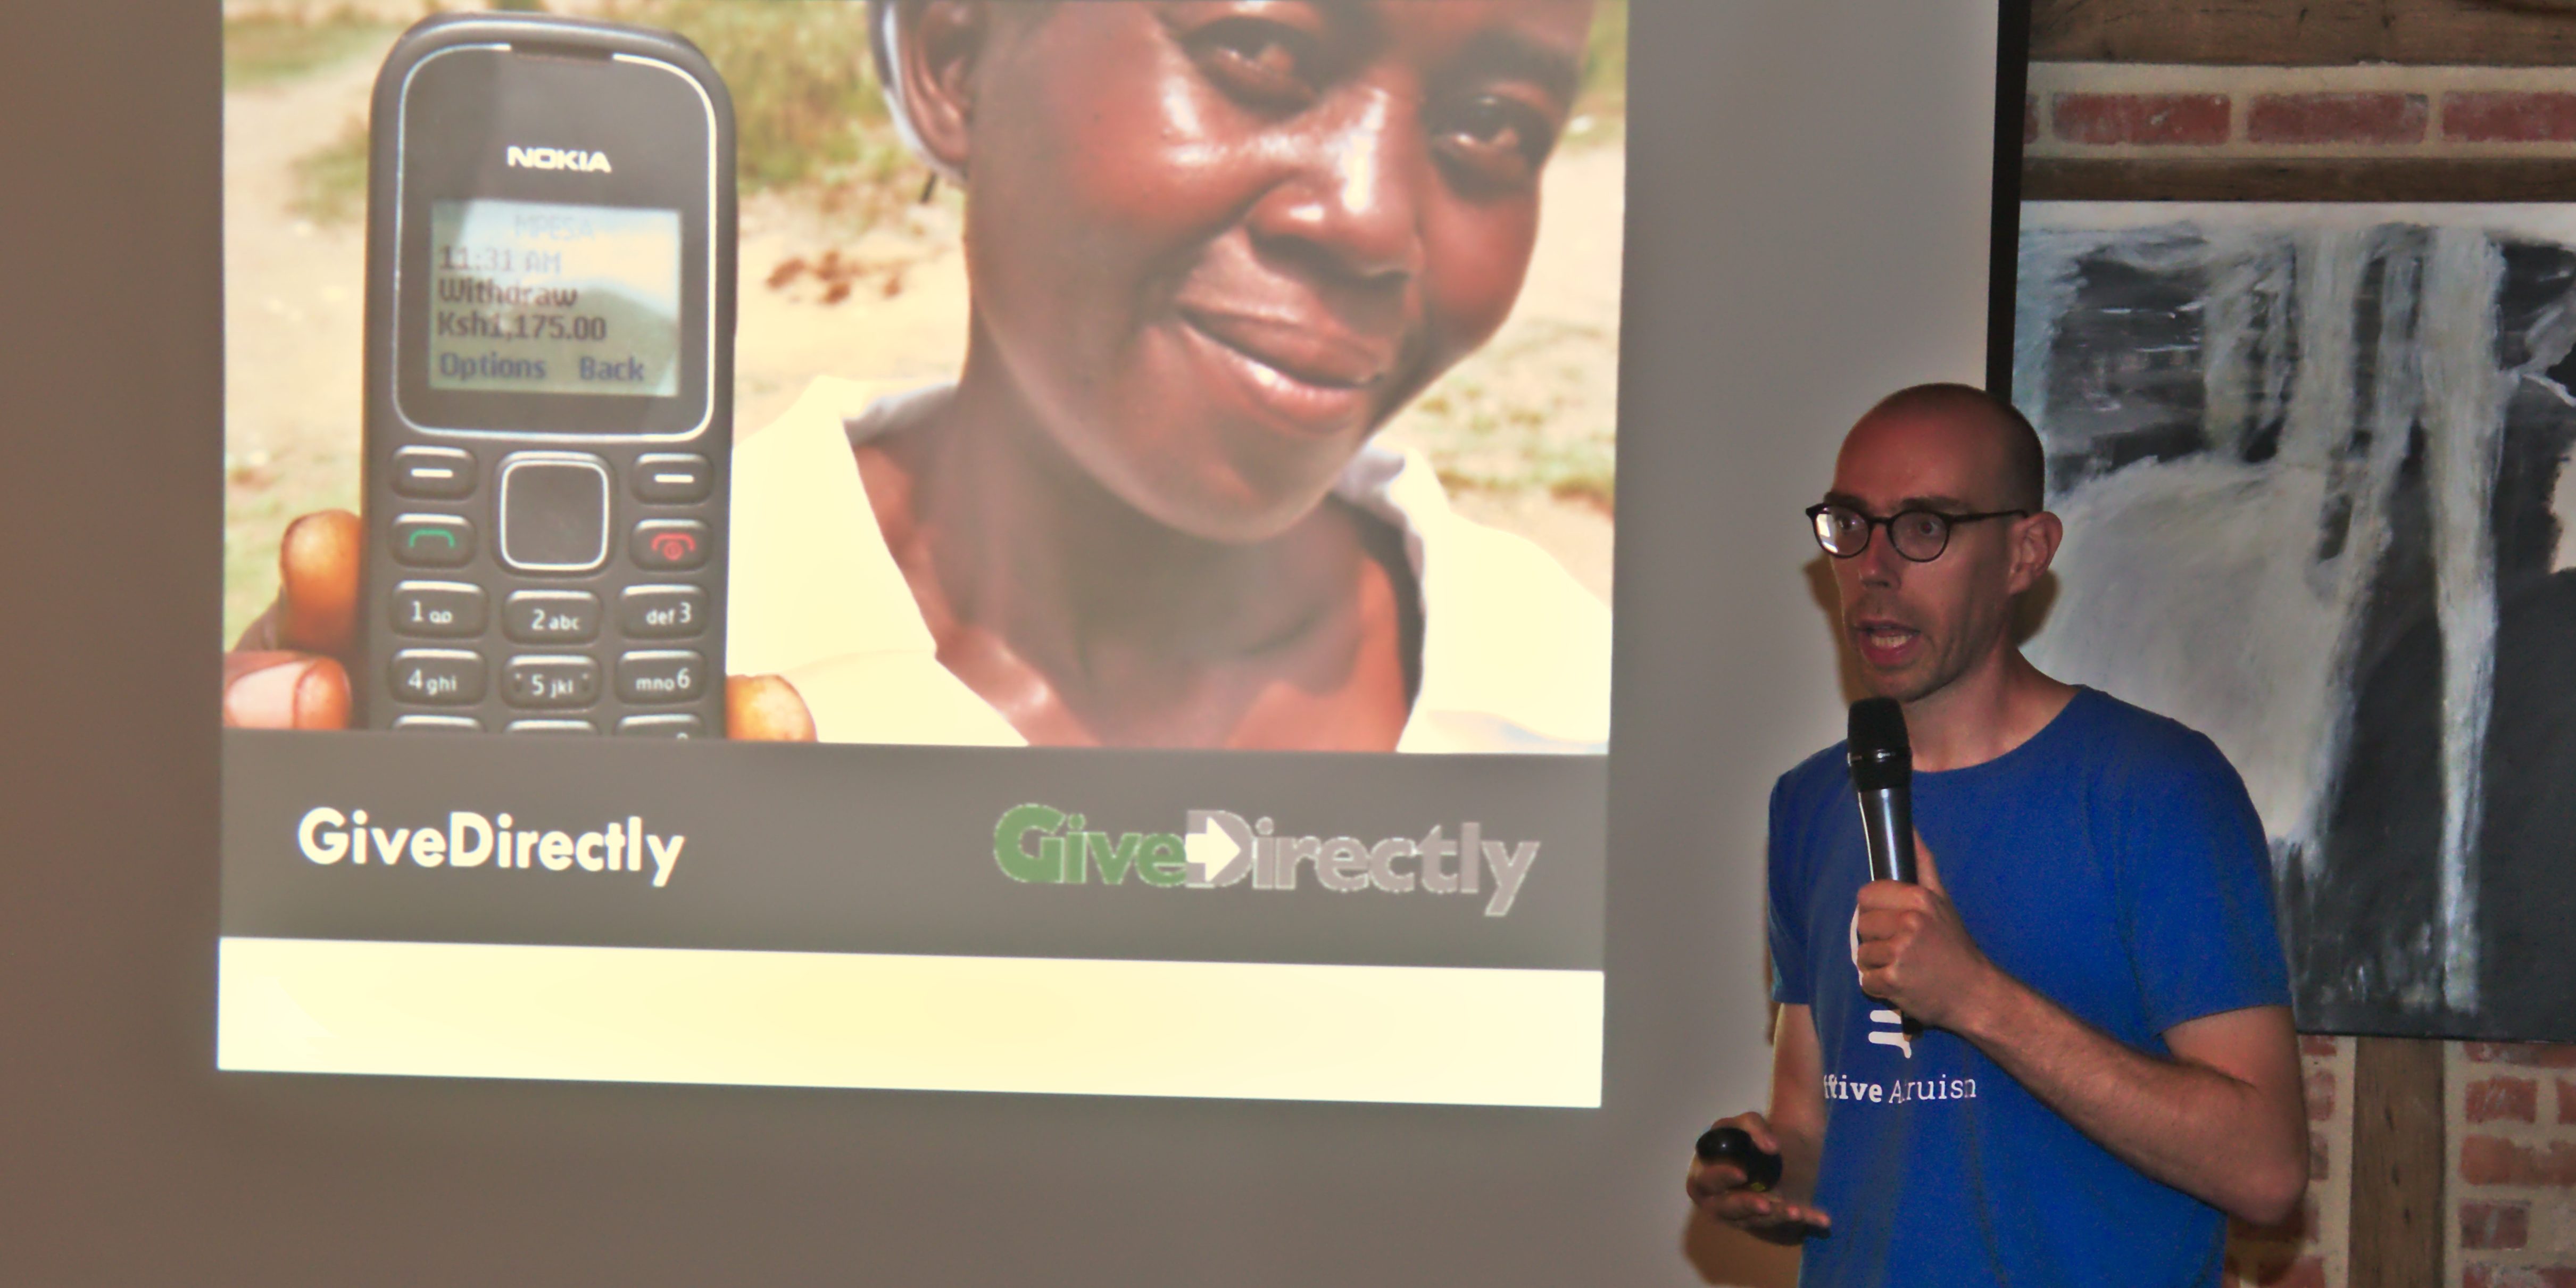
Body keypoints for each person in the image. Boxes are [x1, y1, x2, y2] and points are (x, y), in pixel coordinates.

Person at [223, 0, 1612, 753]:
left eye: (1494, 124)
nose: (1376, 218)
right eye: (1256, 49)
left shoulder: (1574, 702)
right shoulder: (672, 643)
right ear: (952, 62)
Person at [1684, 384, 2308, 1285]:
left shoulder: (2155, 788)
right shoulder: (1812, 800)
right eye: (1850, 525)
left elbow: (2265, 1169)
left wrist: (1974, 995)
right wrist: (1762, 1173)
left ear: (2025, 552)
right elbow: (1817, 1131)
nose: (1874, 568)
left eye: (1924, 528)